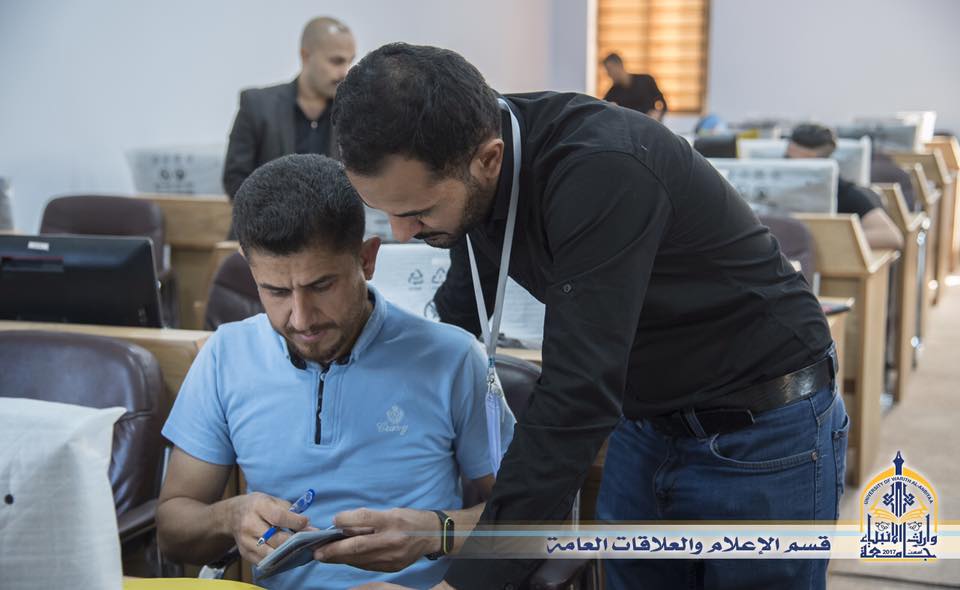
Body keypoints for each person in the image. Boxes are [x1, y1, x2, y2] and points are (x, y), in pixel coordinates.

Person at [332, 43, 847, 590]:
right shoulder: (469, 155)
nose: (404, 232)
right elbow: (460, 309)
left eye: (417, 212)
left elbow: (577, 392)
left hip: (759, 423)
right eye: (387, 213)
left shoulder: (601, 167)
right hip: (645, 421)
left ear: (488, 159)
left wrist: (464, 584)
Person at [156, 154, 514, 590]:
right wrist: (229, 516)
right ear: (251, 271)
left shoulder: (452, 359)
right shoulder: (225, 356)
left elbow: (533, 523)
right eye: (275, 291)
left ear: (367, 259)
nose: (301, 319)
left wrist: (434, 533)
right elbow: (172, 530)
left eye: (321, 286)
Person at [221, 17, 356, 200]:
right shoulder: (257, 105)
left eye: (350, 61)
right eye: (336, 61)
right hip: (268, 217)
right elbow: (235, 180)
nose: (345, 72)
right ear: (305, 56)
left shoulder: (352, 112)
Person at [787, 124, 904, 250]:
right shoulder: (779, 192)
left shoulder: (847, 194)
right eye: (787, 158)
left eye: (804, 163)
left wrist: (824, 242)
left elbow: (891, 236)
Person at [601, 52, 667, 121]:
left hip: (650, 124)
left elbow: (662, 102)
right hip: (631, 126)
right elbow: (602, 107)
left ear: (619, 66)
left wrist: (658, 113)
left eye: (609, 69)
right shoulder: (613, 91)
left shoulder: (646, 80)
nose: (608, 74)